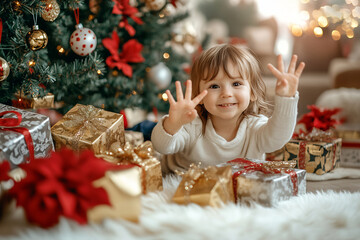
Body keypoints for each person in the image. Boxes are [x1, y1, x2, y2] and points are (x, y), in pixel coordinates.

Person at [151, 44, 305, 174]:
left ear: (252, 92)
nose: (226, 94)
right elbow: (162, 147)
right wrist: (173, 124)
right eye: (214, 86)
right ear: (200, 96)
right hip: (182, 182)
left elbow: (277, 139)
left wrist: (286, 99)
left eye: (236, 84)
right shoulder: (193, 125)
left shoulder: (255, 127)